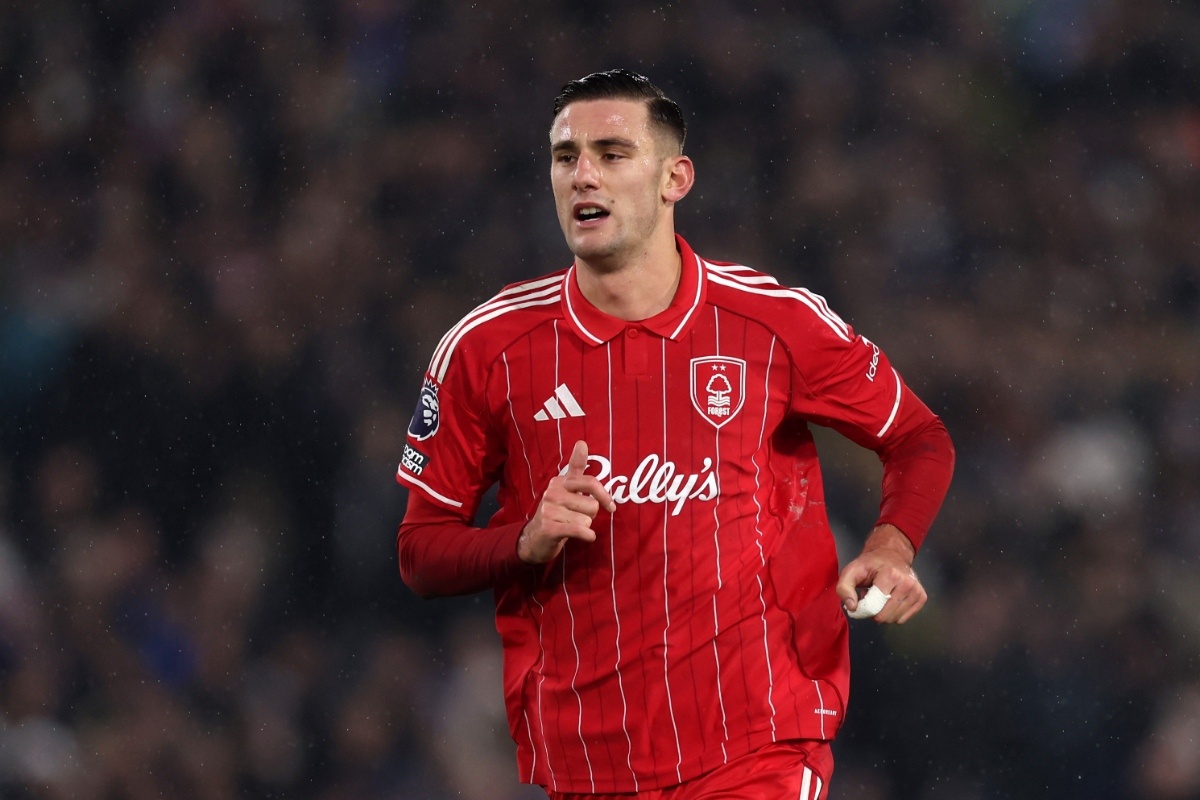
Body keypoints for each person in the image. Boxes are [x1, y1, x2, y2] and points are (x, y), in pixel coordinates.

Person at [395, 69, 954, 800]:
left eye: (613, 153)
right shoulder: (486, 348)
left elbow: (918, 437)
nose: (583, 174)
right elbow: (419, 551)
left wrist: (890, 545)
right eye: (566, 157)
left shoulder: (773, 323)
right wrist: (521, 541)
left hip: (761, 742)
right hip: (585, 762)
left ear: (674, 178)